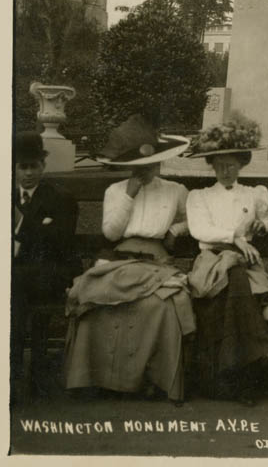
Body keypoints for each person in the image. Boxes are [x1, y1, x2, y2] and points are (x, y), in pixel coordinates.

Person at [64, 114, 195, 403]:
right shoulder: (116, 191)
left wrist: (175, 228)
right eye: (138, 167)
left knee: (161, 305)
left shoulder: (175, 191)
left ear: (159, 161)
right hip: (119, 260)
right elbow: (110, 233)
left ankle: (152, 380)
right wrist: (129, 195)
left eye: (150, 165)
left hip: (155, 263)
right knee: (93, 299)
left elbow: (193, 218)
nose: (145, 171)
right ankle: (98, 379)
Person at [186, 114, 268, 406]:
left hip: (245, 262)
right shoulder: (200, 197)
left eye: (231, 165)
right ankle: (252, 358)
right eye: (219, 165)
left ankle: (241, 370)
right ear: (212, 166)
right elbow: (200, 230)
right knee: (233, 280)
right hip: (212, 261)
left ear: (242, 164)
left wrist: (263, 226)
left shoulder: (254, 194)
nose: (225, 171)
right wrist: (236, 238)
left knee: (246, 284)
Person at [12, 132, 80, 389]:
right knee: (14, 287)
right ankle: (16, 365)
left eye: (34, 166)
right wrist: (39, 227)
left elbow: (59, 241)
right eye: (23, 167)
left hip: (52, 272)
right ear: (14, 168)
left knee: (14, 285)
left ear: (43, 166)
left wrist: (23, 233)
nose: (28, 173)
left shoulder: (60, 198)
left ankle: (16, 366)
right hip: (19, 275)